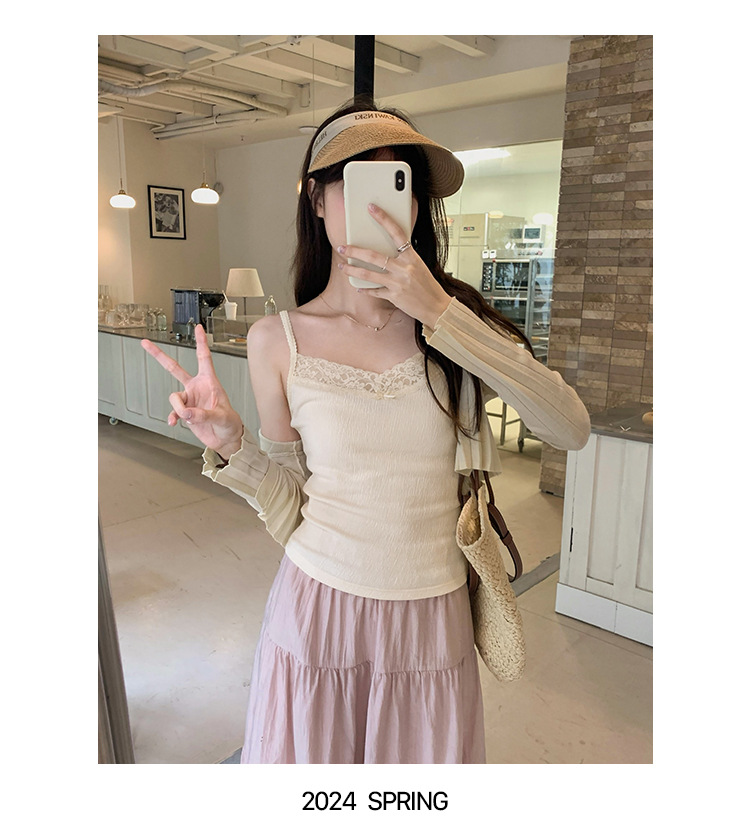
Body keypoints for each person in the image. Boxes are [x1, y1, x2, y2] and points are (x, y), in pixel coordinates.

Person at [141, 97, 591, 764]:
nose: (379, 205)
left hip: (431, 617)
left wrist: (437, 310)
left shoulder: (456, 324)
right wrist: (233, 447)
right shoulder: (277, 340)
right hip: (317, 610)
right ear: (317, 199)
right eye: (357, 182)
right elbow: (292, 504)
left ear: (417, 205)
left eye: (398, 183)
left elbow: (570, 426)